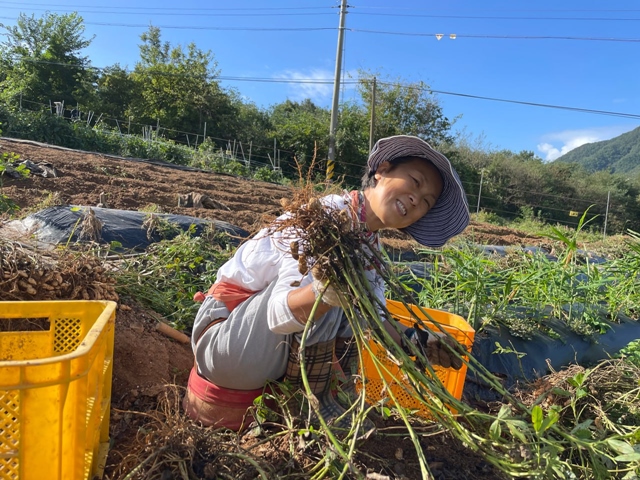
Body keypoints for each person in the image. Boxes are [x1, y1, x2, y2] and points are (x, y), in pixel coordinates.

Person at [183, 135, 470, 433]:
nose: (416, 199)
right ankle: (316, 405)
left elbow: (376, 322)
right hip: (227, 343)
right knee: (340, 282)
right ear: (382, 170)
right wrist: (324, 292)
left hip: (265, 361)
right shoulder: (325, 218)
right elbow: (276, 313)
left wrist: (421, 341)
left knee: (353, 294)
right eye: (415, 182)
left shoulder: (372, 250)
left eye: (426, 202)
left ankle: (319, 401)